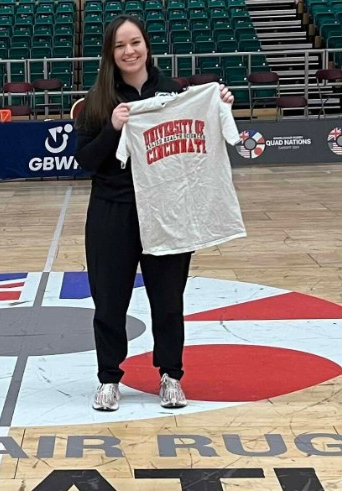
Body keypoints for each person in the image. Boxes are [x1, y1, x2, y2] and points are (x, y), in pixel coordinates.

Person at [74, 14, 233, 412]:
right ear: (110, 53)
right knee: (109, 301)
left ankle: (170, 376)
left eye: (135, 42)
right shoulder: (94, 103)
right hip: (113, 212)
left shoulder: (174, 93)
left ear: (147, 46)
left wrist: (217, 106)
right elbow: (86, 162)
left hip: (168, 209)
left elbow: (198, 140)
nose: (130, 51)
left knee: (167, 300)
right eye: (120, 45)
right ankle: (109, 378)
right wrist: (112, 127)